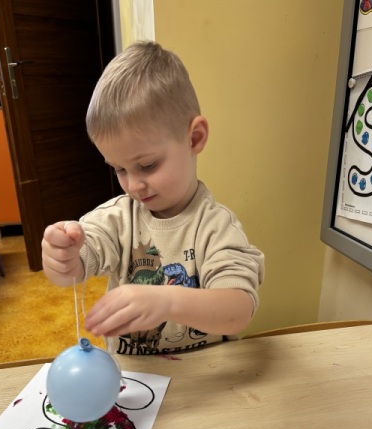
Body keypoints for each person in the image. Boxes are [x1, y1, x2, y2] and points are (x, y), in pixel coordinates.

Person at [42, 41, 264, 355]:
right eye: (119, 169)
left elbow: (238, 310)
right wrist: (61, 258)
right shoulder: (117, 219)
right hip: (134, 377)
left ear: (194, 138)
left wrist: (168, 301)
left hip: (206, 376)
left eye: (147, 165)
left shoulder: (215, 227)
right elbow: (72, 270)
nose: (133, 185)